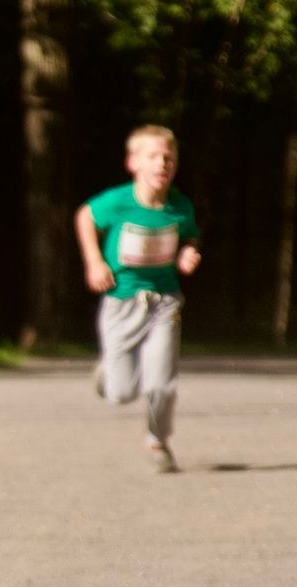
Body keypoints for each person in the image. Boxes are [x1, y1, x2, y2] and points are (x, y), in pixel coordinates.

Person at [76, 124, 202, 473]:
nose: (162, 163)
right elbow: (84, 216)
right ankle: (108, 374)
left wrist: (187, 253)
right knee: (121, 393)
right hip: (122, 301)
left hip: (165, 302)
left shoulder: (180, 206)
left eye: (169, 157)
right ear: (133, 162)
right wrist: (94, 261)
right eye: (153, 156)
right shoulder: (118, 202)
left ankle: (157, 441)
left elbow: (190, 237)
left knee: (162, 381)